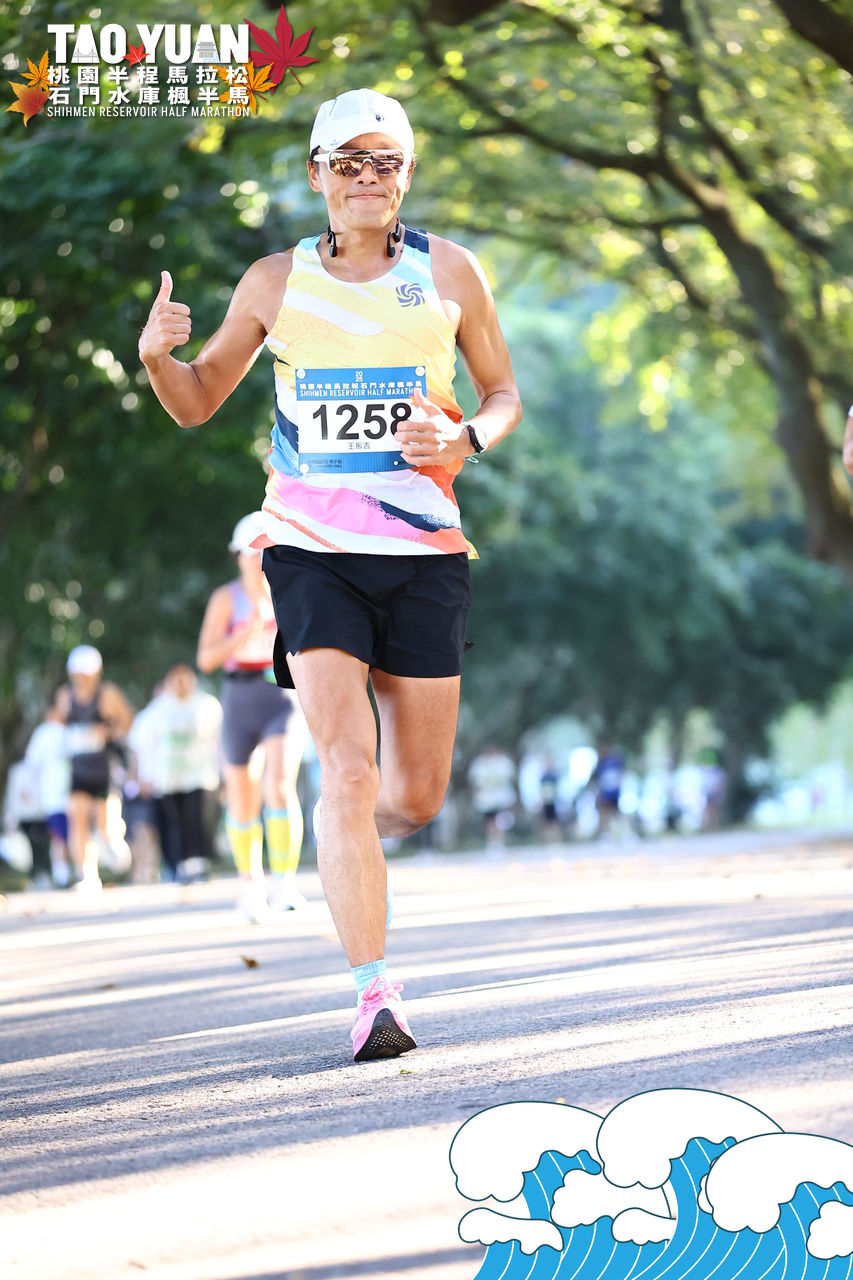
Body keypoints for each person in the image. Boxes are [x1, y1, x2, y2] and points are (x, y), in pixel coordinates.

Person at [138, 88, 522, 1061]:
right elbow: (196, 401)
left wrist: (467, 439)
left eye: (383, 161)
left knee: (414, 796)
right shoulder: (275, 281)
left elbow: (502, 392)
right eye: (346, 161)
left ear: (406, 174)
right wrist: (156, 360)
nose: (365, 178)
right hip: (310, 551)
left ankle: (340, 829)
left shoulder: (450, 271)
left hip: (425, 553)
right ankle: (373, 995)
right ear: (316, 174)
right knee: (347, 767)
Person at [197, 514, 307, 921]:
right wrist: (244, 633)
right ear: (239, 556)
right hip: (240, 696)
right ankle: (250, 884)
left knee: (279, 786)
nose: (258, 561)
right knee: (242, 796)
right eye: (251, 553)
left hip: (281, 696)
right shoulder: (226, 599)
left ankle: (285, 882)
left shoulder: (290, 590)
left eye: (266, 552)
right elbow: (206, 659)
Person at [129, 666, 223, 882]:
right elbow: (143, 746)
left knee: (197, 819)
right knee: (173, 823)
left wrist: (223, 773)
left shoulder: (207, 706)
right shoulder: (157, 710)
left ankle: (198, 863)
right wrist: (143, 776)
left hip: (199, 776)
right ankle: (176, 865)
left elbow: (219, 741)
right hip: (166, 780)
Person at [53, 645, 134, 892]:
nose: (82, 679)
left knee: (106, 824)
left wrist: (106, 731)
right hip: (79, 768)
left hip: (105, 768)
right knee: (77, 820)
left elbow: (128, 722)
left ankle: (114, 841)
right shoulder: (65, 696)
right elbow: (58, 723)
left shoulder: (107, 694)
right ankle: (87, 875)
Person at [468, 745, 517, 850]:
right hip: (486, 799)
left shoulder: (503, 762)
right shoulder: (479, 764)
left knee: (501, 820)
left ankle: (500, 841)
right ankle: (491, 842)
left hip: (500, 798)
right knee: (489, 821)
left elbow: (509, 779)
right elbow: (475, 782)